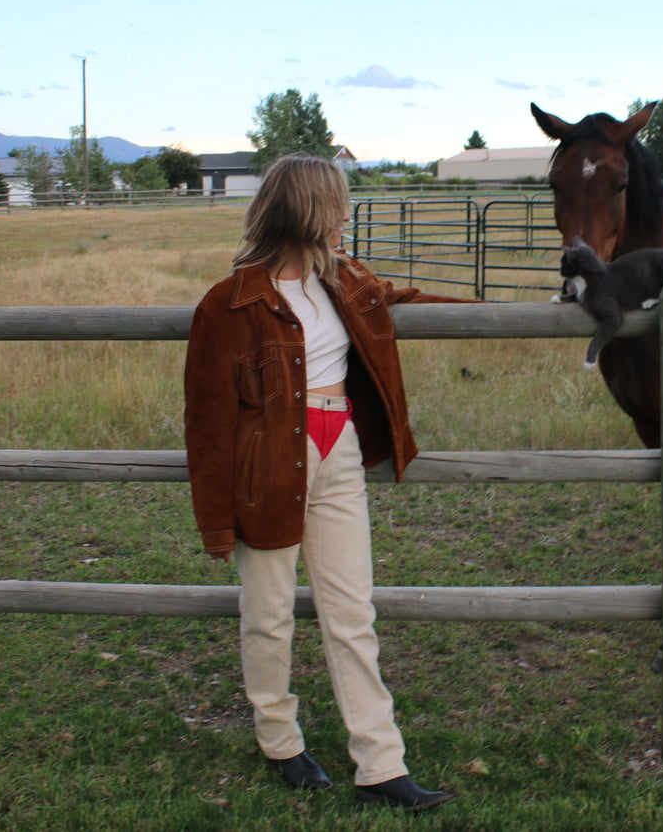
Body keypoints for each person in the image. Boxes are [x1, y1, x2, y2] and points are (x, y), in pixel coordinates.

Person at [184, 154, 464, 812]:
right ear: (306, 211)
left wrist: (533, 309)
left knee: (350, 610)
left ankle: (380, 762)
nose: (346, 217)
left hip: (337, 456)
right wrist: (216, 522)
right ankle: (278, 738)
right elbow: (207, 425)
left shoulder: (349, 280)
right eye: (337, 205)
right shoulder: (229, 305)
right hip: (266, 470)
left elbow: (414, 303)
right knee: (270, 612)